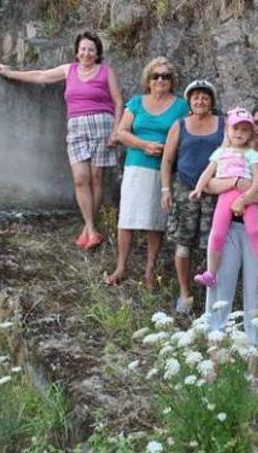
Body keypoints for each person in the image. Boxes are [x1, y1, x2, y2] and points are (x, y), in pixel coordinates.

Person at [0, 31, 123, 249]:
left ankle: (88, 231)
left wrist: (116, 131)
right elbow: (40, 75)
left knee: (96, 179)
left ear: (97, 52)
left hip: (102, 124)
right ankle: (91, 228)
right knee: (80, 178)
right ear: (77, 51)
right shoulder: (68, 70)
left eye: (91, 49)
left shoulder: (105, 71)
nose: (87, 52)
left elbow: (119, 102)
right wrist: (11, 74)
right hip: (76, 127)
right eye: (83, 48)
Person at [203, 102, 258, 375]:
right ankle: (214, 362)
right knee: (219, 287)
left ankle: (252, 368)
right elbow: (209, 184)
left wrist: (245, 196)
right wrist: (236, 186)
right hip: (229, 227)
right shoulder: (231, 149)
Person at [106, 57, 188, 286]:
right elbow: (121, 132)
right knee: (127, 218)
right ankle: (121, 267)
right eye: (156, 76)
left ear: (172, 81)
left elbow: (188, 132)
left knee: (156, 220)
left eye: (166, 76)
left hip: (163, 169)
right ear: (148, 80)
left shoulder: (181, 106)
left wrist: (171, 150)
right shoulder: (136, 102)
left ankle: (149, 271)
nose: (161, 80)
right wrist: (144, 145)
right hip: (136, 164)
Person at [191, 107, 258, 287]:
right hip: (226, 195)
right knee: (217, 231)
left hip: (246, 195)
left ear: (250, 134)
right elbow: (208, 172)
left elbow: (257, 177)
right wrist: (198, 188)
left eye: (244, 130)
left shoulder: (252, 154)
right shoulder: (220, 152)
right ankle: (211, 272)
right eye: (235, 128)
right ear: (228, 130)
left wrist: (249, 196)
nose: (239, 133)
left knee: (254, 230)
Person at [160, 79, 223, 313]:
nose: (200, 100)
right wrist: (165, 190)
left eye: (205, 97)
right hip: (184, 189)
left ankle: (211, 295)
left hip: (213, 191)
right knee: (183, 243)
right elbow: (167, 160)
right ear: (189, 101)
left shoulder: (223, 124)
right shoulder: (180, 125)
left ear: (212, 101)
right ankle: (185, 294)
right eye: (195, 97)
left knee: (213, 244)